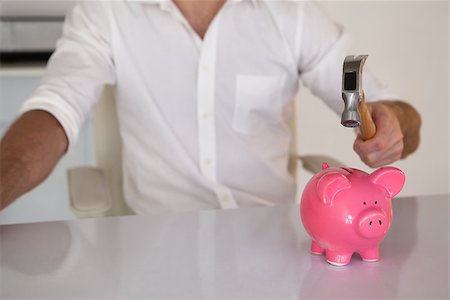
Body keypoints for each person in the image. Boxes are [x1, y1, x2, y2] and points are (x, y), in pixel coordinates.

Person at [0, 0, 421, 213]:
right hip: (157, 243)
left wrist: (392, 123)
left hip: (272, 240)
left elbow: (397, 114)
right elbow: (55, 110)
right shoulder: (106, 11)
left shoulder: (290, 13)